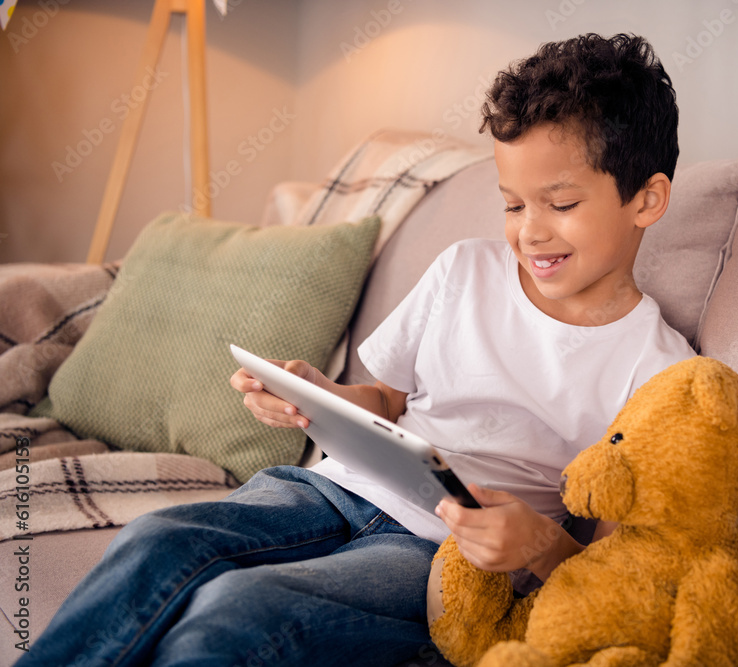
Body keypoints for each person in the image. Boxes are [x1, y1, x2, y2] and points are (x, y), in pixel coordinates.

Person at [18, 33, 694, 667]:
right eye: (513, 204)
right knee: (155, 541)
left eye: (561, 203)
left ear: (646, 198)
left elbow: (614, 571)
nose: (531, 232)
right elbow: (386, 401)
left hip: (435, 554)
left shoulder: (658, 371)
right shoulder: (465, 270)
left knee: (236, 612)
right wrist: (319, 396)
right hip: (330, 487)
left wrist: (542, 544)